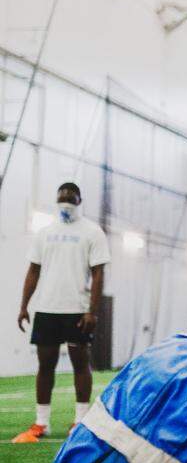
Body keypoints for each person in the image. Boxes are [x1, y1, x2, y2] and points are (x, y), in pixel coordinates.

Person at [13, 183, 110, 444]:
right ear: (56, 200)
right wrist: (24, 305)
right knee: (45, 364)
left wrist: (92, 310)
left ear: (79, 199)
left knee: (81, 363)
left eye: (70, 197)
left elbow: (99, 273)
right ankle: (41, 423)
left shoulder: (92, 232)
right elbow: (33, 270)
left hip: (77, 309)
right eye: (62, 197)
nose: (66, 200)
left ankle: (79, 421)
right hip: (47, 308)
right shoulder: (45, 232)